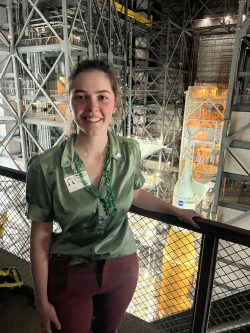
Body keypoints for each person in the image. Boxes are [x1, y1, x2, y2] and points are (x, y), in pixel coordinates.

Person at [26, 59, 201, 333]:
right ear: (70, 103)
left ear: (114, 104)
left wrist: (175, 211)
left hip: (122, 269)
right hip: (72, 272)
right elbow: (41, 237)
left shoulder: (129, 151)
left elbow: (133, 193)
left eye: (102, 97)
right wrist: (41, 300)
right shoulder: (46, 167)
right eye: (81, 97)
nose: (92, 107)